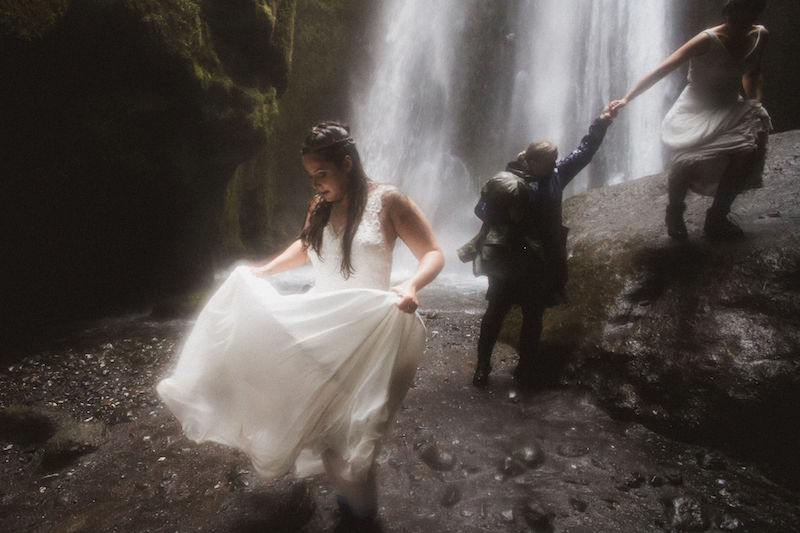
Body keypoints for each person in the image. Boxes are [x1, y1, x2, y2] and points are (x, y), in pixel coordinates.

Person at [157, 121, 444, 531]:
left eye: (322, 174)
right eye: (311, 177)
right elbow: (306, 245)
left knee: (356, 428)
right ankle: (352, 510)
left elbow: (433, 251)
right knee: (326, 423)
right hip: (317, 326)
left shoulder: (389, 202)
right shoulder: (320, 205)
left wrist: (411, 285)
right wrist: (266, 270)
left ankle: (362, 516)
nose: (317, 184)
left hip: (365, 331)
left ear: (346, 163)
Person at [460, 106, 617, 389]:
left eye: (556, 158)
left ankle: (526, 368)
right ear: (532, 162)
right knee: (496, 311)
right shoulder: (508, 181)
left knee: (534, 315)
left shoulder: (556, 175)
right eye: (550, 160)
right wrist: (508, 215)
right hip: (510, 256)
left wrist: (602, 122)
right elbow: (481, 209)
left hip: (541, 260)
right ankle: (483, 365)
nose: (556, 163)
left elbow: (584, 153)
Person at [610, 0, 771, 241]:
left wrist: (755, 101)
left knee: (745, 153)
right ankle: (674, 212)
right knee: (685, 162)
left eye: (746, 14)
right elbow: (662, 69)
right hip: (696, 107)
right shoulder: (706, 39)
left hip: (729, 105)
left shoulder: (759, 35)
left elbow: (752, 71)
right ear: (728, 11)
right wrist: (626, 99)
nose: (737, 20)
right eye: (734, 13)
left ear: (755, 13)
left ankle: (717, 215)